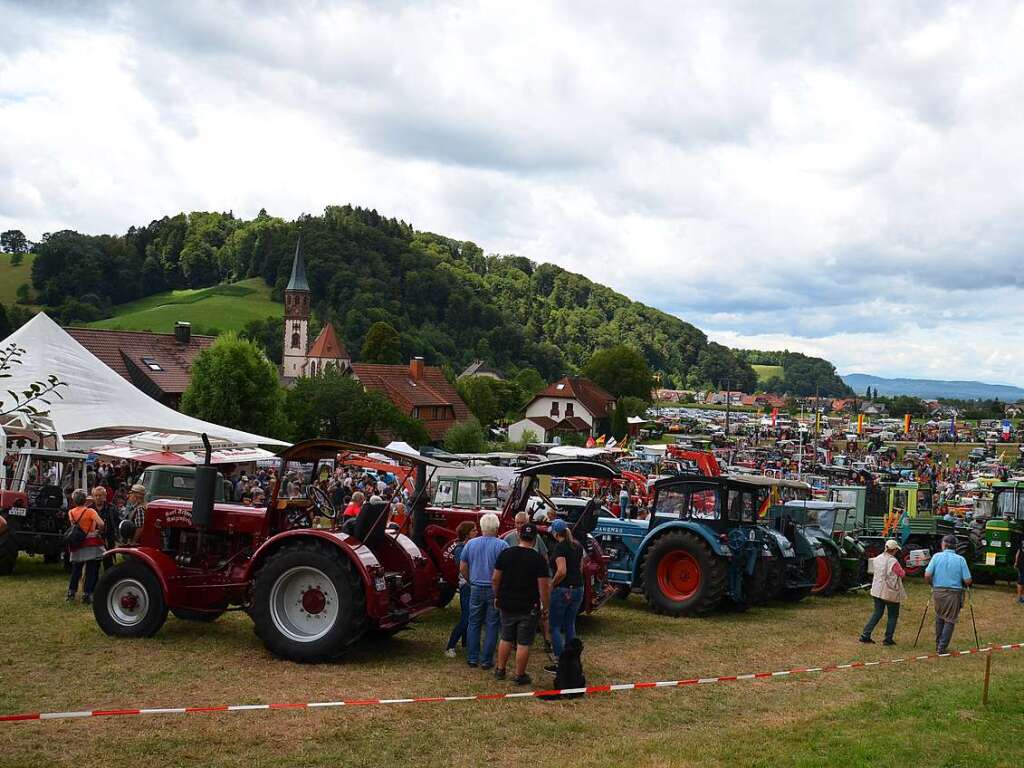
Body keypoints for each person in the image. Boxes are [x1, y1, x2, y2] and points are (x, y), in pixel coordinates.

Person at [492, 522, 550, 685]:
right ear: (535, 539)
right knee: (524, 642)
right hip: (528, 605)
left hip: (507, 602)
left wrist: (497, 596)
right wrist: (545, 607)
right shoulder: (538, 559)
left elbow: (495, 578)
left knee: (506, 638)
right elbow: (543, 587)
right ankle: (519, 674)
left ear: (518, 536)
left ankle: (500, 669)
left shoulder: (506, 554)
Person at [459, 512, 508, 670]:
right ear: (496, 527)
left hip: (476, 587)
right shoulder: (502, 545)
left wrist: (470, 580)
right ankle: (487, 660)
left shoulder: (471, 544)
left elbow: (462, 567)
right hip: (494, 588)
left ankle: (473, 657)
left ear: (481, 527)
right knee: (492, 624)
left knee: (474, 623)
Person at [547, 518, 584, 672]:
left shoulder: (560, 548)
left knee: (555, 626)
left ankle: (559, 660)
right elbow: (580, 568)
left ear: (556, 534)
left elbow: (562, 570)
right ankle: (572, 658)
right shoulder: (577, 546)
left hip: (563, 589)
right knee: (570, 623)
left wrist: (552, 584)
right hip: (578, 588)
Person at [925, 534, 973, 653]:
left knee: (939, 617)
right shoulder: (961, 559)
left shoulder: (936, 557)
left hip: (938, 591)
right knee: (950, 620)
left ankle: (938, 644)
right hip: (954, 593)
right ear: (955, 546)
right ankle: (942, 647)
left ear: (944, 545)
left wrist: (932, 584)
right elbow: (968, 580)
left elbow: (927, 575)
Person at [859, 539, 906, 645]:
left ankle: (865, 635)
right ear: (894, 550)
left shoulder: (877, 558)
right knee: (892, 616)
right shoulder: (893, 562)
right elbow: (902, 574)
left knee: (877, 613)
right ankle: (888, 639)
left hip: (876, 590)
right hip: (889, 591)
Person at [445, 521, 478, 657]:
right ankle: (450, 646)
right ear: (466, 533)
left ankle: (466, 643)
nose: (477, 532)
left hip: (470, 584)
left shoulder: (469, 546)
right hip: (467, 586)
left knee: (469, 616)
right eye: (474, 530)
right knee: (466, 617)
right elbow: (463, 567)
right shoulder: (460, 548)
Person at [66, 489, 105, 604]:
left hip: (78, 542)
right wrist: (97, 532)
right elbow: (101, 523)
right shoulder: (91, 511)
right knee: (91, 570)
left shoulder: (71, 512)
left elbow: (74, 526)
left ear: (74, 500)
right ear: (85, 500)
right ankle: (87, 594)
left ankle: (71, 592)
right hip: (91, 542)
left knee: (76, 570)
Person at [92, 486, 118, 570]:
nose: (98, 497)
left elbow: (116, 522)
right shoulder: (90, 509)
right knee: (94, 564)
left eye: (100, 495)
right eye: (96, 495)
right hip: (94, 539)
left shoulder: (111, 508)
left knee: (108, 563)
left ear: (104, 496)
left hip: (108, 539)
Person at [1015, 537, 1024, 605]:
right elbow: (1018, 552)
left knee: (1020, 581)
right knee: (1020, 581)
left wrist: (1016, 562)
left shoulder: (1021, 540)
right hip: (1021, 563)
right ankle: (1019, 597)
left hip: (1020, 563)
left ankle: (1021, 597)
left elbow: (1018, 552)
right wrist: (1016, 562)